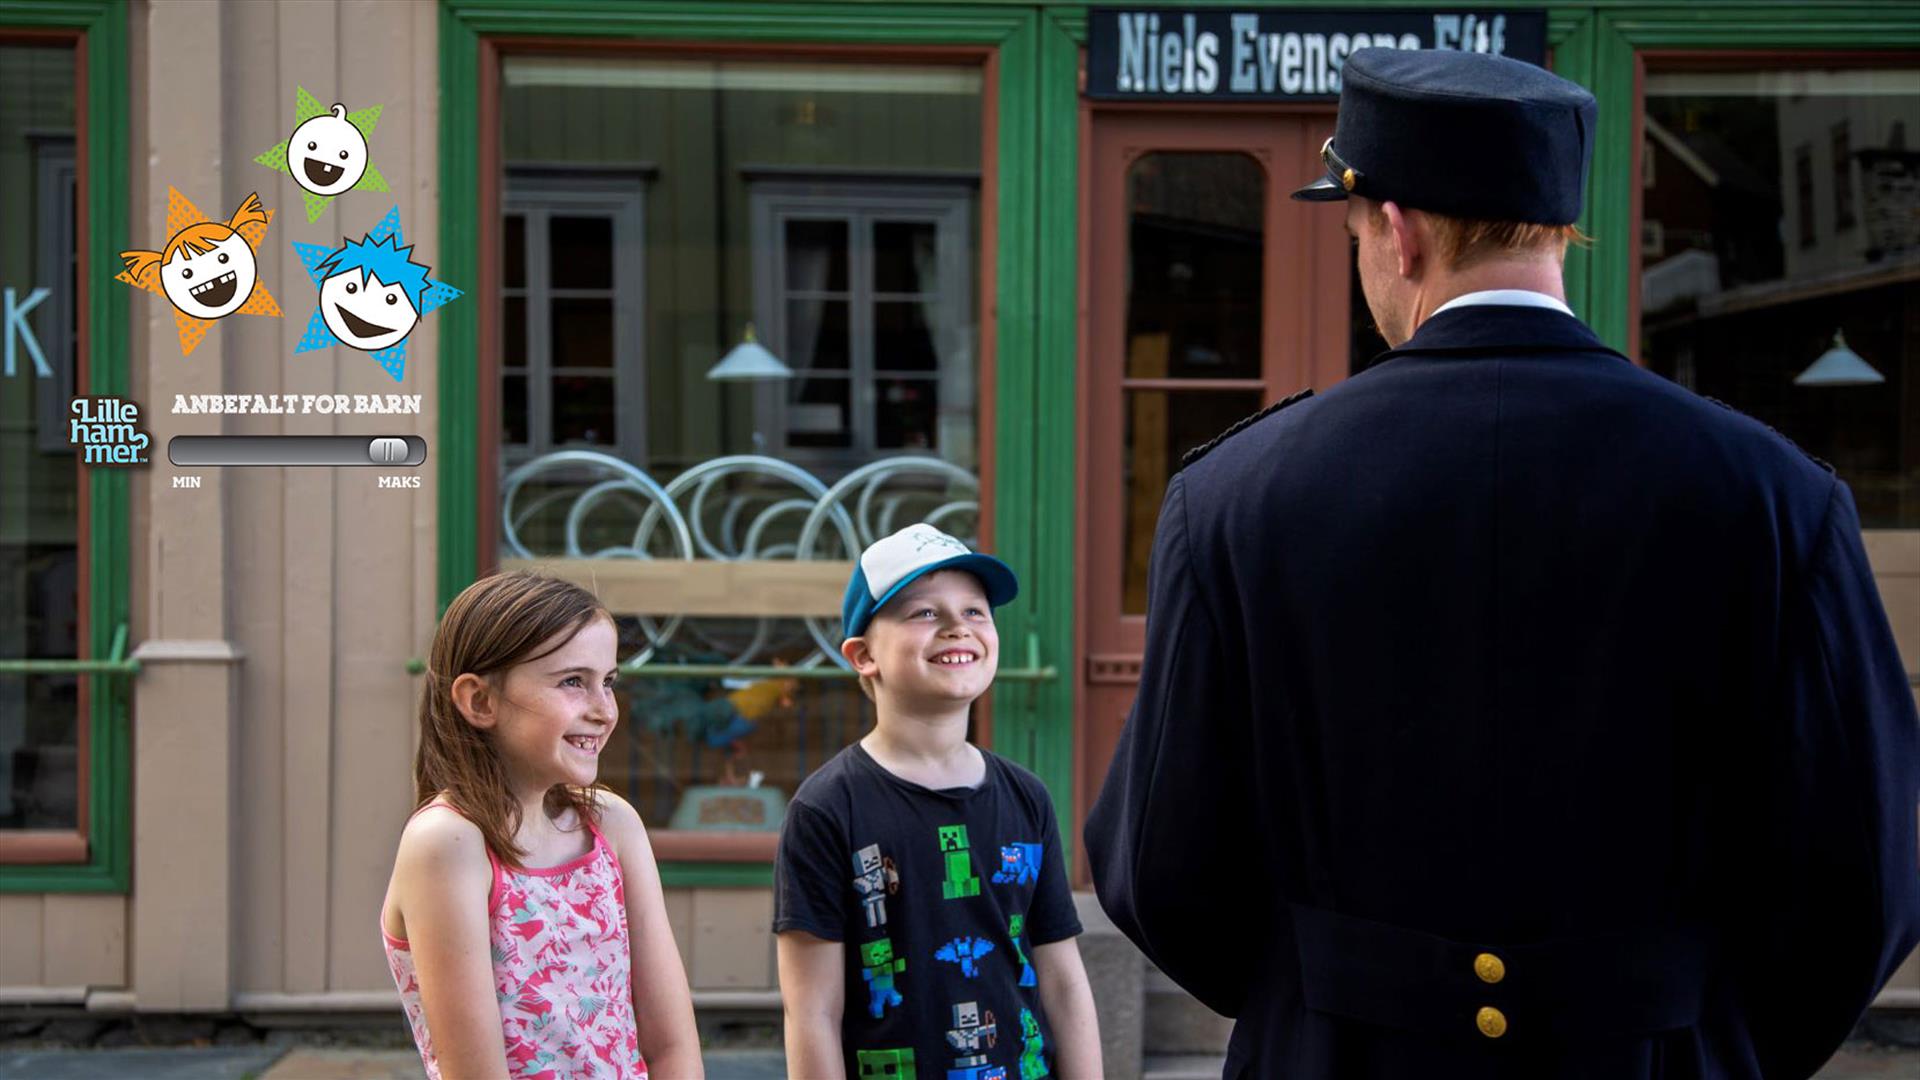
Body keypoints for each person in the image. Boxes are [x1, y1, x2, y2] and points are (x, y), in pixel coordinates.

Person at [1084, 46, 1920, 1079]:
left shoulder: (1234, 495)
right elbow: (1865, 878)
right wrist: (1701, 1028)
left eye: (1353, 230)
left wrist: (1324, 993)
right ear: (1559, 231)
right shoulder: (1774, 494)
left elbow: (1159, 869)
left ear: (1395, 227)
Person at [775, 523, 1102, 1079]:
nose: (957, 627)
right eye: (924, 613)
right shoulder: (827, 809)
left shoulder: (1027, 796)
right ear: (862, 656)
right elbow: (812, 1011)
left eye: (975, 612)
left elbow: (1063, 979)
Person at [380, 571, 702, 1078]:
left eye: (609, 682)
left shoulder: (612, 824)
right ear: (480, 701)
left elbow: (672, 1047)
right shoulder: (448, 843)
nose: (604, 710)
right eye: (573, 682)